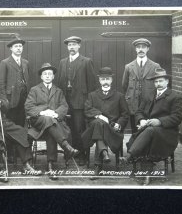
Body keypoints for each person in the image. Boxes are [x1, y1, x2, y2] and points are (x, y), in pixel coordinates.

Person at [122, 68, 182, 185]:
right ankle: (146, 174)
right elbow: (139, 111)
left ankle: (130, 157)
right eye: (156, 82)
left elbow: (177, 117)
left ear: (167, 82)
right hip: (148, 129)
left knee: (150, 131)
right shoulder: (149, 95)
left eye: (160, 81)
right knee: (149, 132)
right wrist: (142, 120)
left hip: (167, 132)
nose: (158, 84)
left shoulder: (175, 97)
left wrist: (159, 121)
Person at [25, 63, 79, 180]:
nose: (48, 76)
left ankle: (50, 165)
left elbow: (64, 106)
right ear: (41, 77)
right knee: (49, 121)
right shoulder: (34, 90)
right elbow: (28, 107)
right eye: (45, 74)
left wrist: (55, 113)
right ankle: (66, 147)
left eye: (50, 74)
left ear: (53, 77)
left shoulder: (58, 91)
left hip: (53, 124)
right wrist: (44, 112)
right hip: (38, 122)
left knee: (50, 129)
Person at [82, 67, 129, 179]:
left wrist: (120, 124)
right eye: (103, 79)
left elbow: (125, 114)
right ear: (99, 81)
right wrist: (100, 115)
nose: (105, 82)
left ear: (111, 80)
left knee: (99, 125)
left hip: (112, 129)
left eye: (107, 79)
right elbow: (87, 110)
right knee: (98, 123)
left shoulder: (119, 96)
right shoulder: (92, 95)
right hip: (94, 128)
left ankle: (99, 164)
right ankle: (103, 154)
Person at [57, 36, 97, 165]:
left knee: (80, 129)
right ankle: (70, 152)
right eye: (69, 45)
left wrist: (89, 103)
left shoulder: (86, 61)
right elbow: (59, 83)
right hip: (65, 102)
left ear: (79, 46)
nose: (72, 47)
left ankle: (83, 155)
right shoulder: (63, 62)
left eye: (74, 45)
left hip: (81, 101)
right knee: (67, 129)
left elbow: (92, 85)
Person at [122, 38, 161, 134]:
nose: (141, 49)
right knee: (135, 130)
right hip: (133, 104)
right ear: (135, 49)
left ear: (148, 49)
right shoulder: (129, 66)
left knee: (147, 129)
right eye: (138, 47)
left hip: (149, 104)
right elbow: (124, 85)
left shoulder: (155, 66)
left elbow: (159, 85)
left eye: (143, 47)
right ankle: (135, 147)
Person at [0, 37, 29, 127]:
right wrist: (5, 99)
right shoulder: (5, 62)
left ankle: (20, 140)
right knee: (11, 121)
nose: (19, 48)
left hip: (24, 96)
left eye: (20, 46)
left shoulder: (25, 62)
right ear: (11, 48)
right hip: (11, 97)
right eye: (16, 46)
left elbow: (27, 79)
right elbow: (1, 82)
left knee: (21, 120)